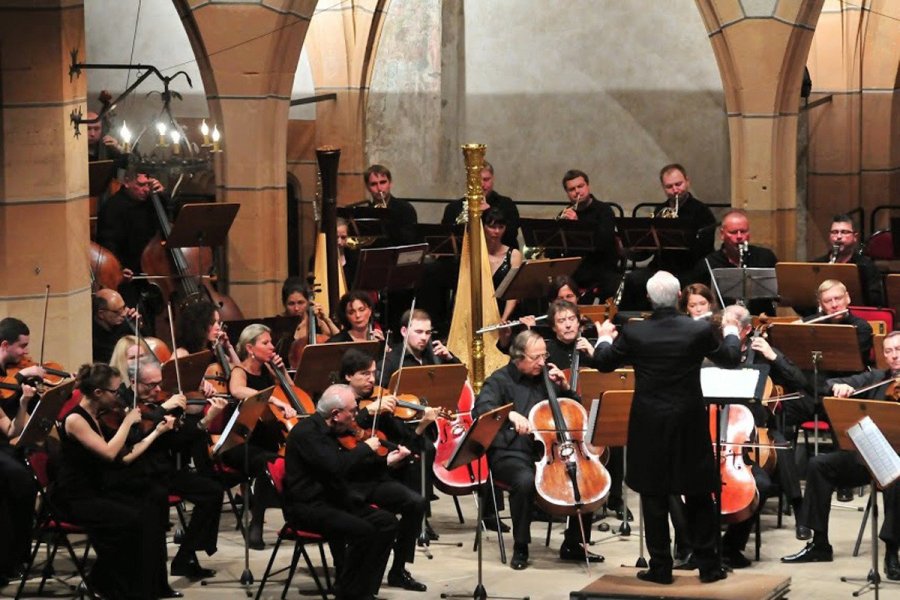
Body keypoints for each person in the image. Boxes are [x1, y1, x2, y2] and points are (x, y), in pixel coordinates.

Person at [591, 271, 742, 584]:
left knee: (653, 495)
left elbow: (603, 362)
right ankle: (709, 567)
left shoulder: (635, 333)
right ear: (677, 298)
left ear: (648, 299)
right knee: (698, 492)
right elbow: (730, 358)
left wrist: (604, 335)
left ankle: (661, 568)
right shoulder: (696, 330)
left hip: (649, 423)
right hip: (688, 420)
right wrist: (730, 330)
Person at [472, 330, 602, 570]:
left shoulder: (549, 378)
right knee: (525, 481)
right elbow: (480, 410)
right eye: (536, 358)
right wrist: (508, 413)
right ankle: (521, 546)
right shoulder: (499, 380)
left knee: (583, 478)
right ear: (518, 357)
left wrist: (565, 389)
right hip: (510, 453)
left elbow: (574, 411)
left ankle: (574, 543)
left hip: (547, 452)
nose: (542, 362)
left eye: (544, 356)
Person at [782, 330, 900, 581]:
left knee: (896, 479)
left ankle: (892, 552)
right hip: (869, 457)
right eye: (888, 351)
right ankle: (819, 545)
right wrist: (840, 385)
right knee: (819, 464)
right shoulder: (877, 378)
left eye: (898, 350)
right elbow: (826, 385)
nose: (893, 356)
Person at [52, 363, 176, 599]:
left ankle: (141, 585)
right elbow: (109, 453)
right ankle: (104, 582)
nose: (119, 396)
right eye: (115, 391)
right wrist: (128, 422)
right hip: (75, 497)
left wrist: (156, 433)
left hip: (97, 490)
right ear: (98, 393)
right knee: (132, 519)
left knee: (148, 505)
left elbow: (124, 456)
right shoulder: (75, 420)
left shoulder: (95, 415)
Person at [283, 384, 402, 600]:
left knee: (387, 523)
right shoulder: (306, 433)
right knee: (363, 531)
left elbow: (350, 469)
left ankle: (363, 589)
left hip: (332, 501)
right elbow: (336, 467)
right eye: (353, 411)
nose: (356, 417)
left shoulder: (333, 431)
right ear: (336, 414)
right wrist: (365, 448)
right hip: (307, 507)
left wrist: (386, 461)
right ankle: (348, 592)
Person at [711, 305, 808, 565]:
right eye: (724, 327)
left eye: (732, 327)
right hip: (713, 433)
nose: (727, 332)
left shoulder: (762, 355)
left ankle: (731, 547)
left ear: (746, 330)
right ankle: (695, 547)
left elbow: (800, 381)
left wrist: (774, 357)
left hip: (754, 434)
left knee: (760, 483)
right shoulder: (713, 352)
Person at [117, 358, 227, 580]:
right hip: (136, 472)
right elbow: (135, 439)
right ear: (132, 381)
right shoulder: (122, 402)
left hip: (162, 468)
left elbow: (176, 442)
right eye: (150, 385)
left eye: (159, 383)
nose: (158, 390)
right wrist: (163, 410)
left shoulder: (157, 402)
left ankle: (185, 556)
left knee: (213, 492)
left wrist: (206, 420)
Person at [340, 349, 432, 590]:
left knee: (416, 502)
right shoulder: (337, 400)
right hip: (347, 481)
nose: (372, 379)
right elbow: (337, 430)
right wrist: (367, 412)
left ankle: (398, 569)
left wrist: (421, 426)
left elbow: (405, 441)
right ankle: (349, 572)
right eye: (364, 374)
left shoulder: (380, 402)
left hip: (375, 477)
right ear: (348, 376)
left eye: (373, 373)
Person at [226, 323, 294, 549]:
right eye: (265, 343)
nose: (272, 347)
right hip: (238, 444)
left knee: (289, 462)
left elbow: (292, 392)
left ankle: (294, 521)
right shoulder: (239, 371)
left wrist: (283, 372)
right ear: (250, 348)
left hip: (266, 442)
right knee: (269, 465)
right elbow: (237, 391)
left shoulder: (268, 370)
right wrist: (270, 399)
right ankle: (256, 525)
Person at [622, 165, 717, 310]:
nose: (675, 190)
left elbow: (705, 248)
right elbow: (648, 249)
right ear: (663, 188)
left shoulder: (702, 212)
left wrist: (681, 234)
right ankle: (630, 320)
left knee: (686, 281)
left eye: (678, 184)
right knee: (633, 279)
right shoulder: (660, 210)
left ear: (687, 181)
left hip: (688, 268)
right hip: (661, 267)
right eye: (669, 186)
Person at [0, 318, 37, 586]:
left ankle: (18, 555)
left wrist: (24, 401)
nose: (25, 353)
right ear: (4, 345)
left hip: (4, 445)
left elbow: (12, 430)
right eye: (22, 346)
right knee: (19, 478)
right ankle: (11, 557)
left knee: (25, 475)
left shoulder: (6, 373)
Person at [692, 210, 778, 316]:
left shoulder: (765, 257)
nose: (739, 237)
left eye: (743, 231)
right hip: (724, 323)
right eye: (733, 232)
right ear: (722, 235)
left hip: (762, 322)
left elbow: (784, 292)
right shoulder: (708, 264)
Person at [557, 169, 621, 302]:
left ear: (588, 186)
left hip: (601, 267)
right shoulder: (565, 214)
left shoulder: (604, 211)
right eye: (572, 189)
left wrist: (577, 225)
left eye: (580, 186)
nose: (577, 192)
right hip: (575, 269)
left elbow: (603, 243)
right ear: (567, 193)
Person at [442, 161, 520, 248]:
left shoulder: (507, 204)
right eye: (477, 181)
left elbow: (511, 236)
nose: (482, 185)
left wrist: (488, 213)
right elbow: (447, 241)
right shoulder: (453, 208)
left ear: (493, 179)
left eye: (486, 180)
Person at [811, 214, 884, 307]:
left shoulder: (866, 266)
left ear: (855, 237)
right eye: (834, 232)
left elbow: (875, 301)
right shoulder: (817, 265)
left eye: (844, 232)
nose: (838, 236)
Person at [274, 278, 340, 368]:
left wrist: (326, 319)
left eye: (301, 303)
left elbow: (341, 340)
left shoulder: (317, 321)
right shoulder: (280, 324)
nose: (296, 308)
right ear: (284, 304)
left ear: (308, 302)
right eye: (291, 304)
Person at [358, 164, 418, 247]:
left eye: (383, 182)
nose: (379, 188)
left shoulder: (405, 209)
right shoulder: (365, 213)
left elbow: (410, 241)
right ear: (368, 187)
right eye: (373, 184)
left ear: (390, 183)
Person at [483, 208, 524, 323]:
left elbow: (513, 293)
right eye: (492, 227)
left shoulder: (514, 255)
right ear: (483, 227)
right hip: (481, 310)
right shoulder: (476, 255)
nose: (497, 231)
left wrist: (503, 319)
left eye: (501, 227)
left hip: (506, 313)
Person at [92, 288, 141, 363]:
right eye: (118, 311)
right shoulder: (93, 339)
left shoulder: (125, 322)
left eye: (124, 308)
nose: (124, 314)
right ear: (101, 314)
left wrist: (138, 325)